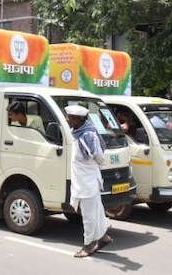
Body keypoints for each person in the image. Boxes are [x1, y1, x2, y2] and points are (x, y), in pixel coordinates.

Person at [65, 104, 112, 258]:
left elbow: (100, 157)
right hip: (82, 182)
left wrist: (91, 159)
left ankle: (88, 245)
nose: (67, 119)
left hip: (88, 183)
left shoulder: (88, 136)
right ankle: (103, 238)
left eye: (70, 117)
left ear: (78, 120)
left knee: (89, 216)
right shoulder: (77, 133)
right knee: (96, 214)